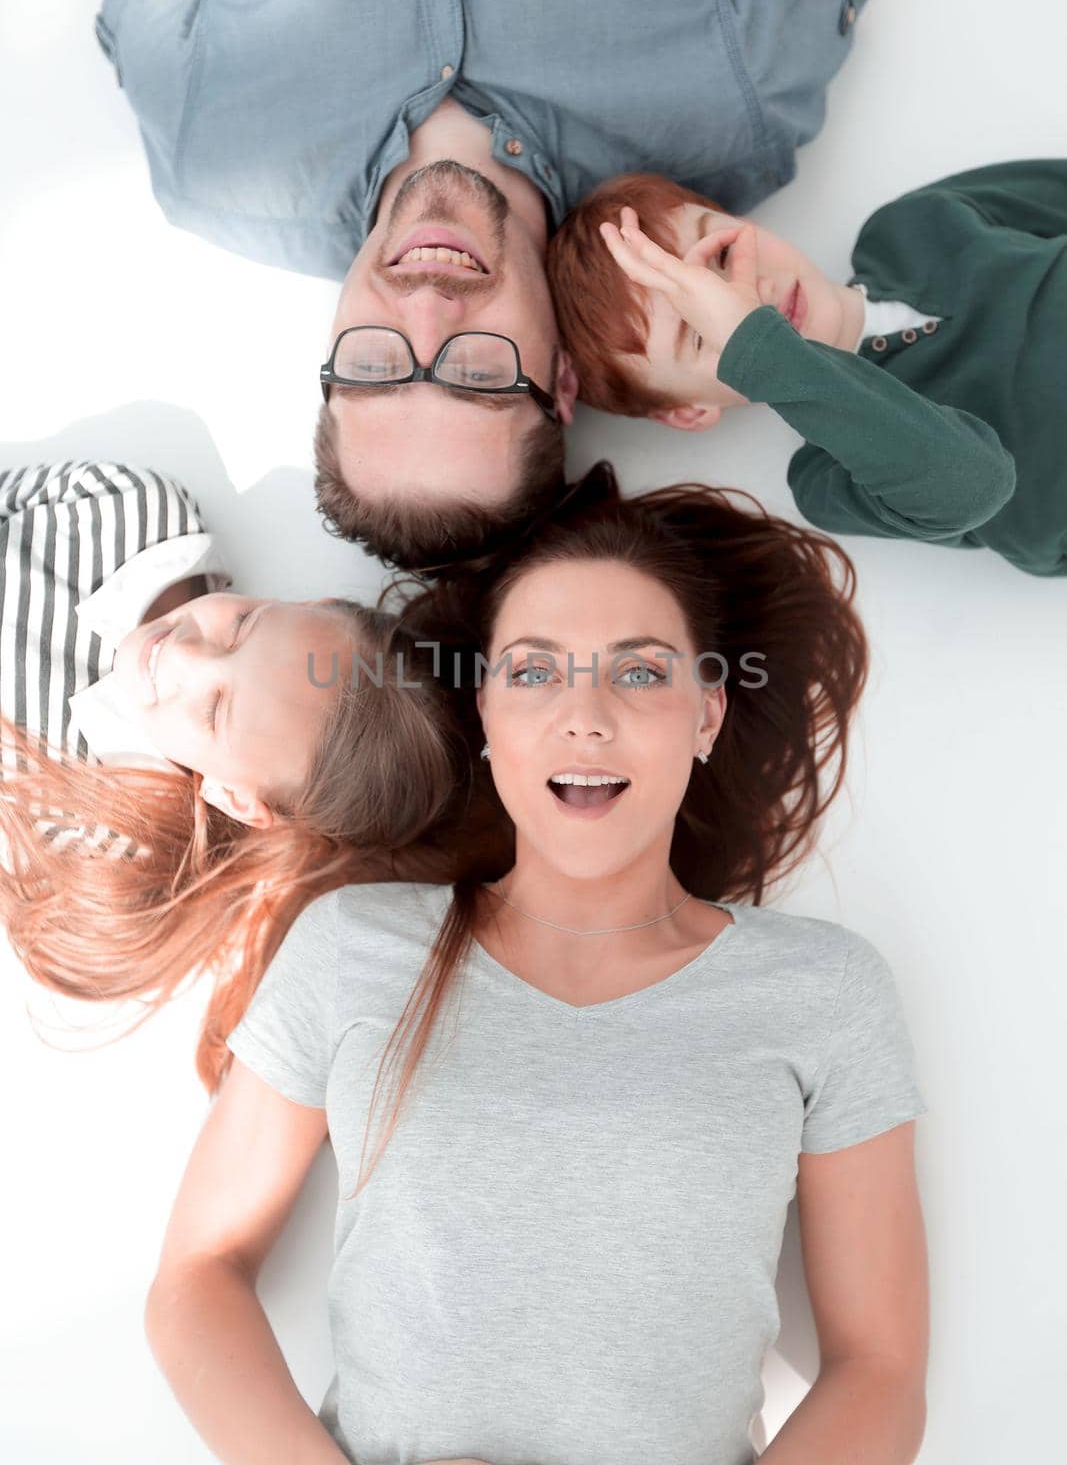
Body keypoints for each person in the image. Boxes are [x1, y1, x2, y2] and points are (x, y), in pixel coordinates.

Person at [142, 463, 930, 1465]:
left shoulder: (823, 993)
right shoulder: (353, 949)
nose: (584, 716)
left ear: (705, 715)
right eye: (533, 670)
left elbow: (880, 1369)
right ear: (486, 721)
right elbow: (195, 1277)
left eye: (639, 672)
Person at [70, 0, 884, 567]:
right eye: (475, 375)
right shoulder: (728, 114)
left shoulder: (211, 148)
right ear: (562, 380)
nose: (427, 307)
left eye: (376, 370)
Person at [0, 460, 508, 1086]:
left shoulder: (97, 841)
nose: (183, 652)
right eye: (243, 626)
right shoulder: (132, 514)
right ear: (306, 604)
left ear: (237, 799)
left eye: (215, 713)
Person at [547, 161, 1067, 578]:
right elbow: (977, 484)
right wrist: (759, 346)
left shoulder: (915, 226)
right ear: (689, 411)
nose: (756, 298)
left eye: (725, 256)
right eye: (705, 327)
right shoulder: (829, 475)